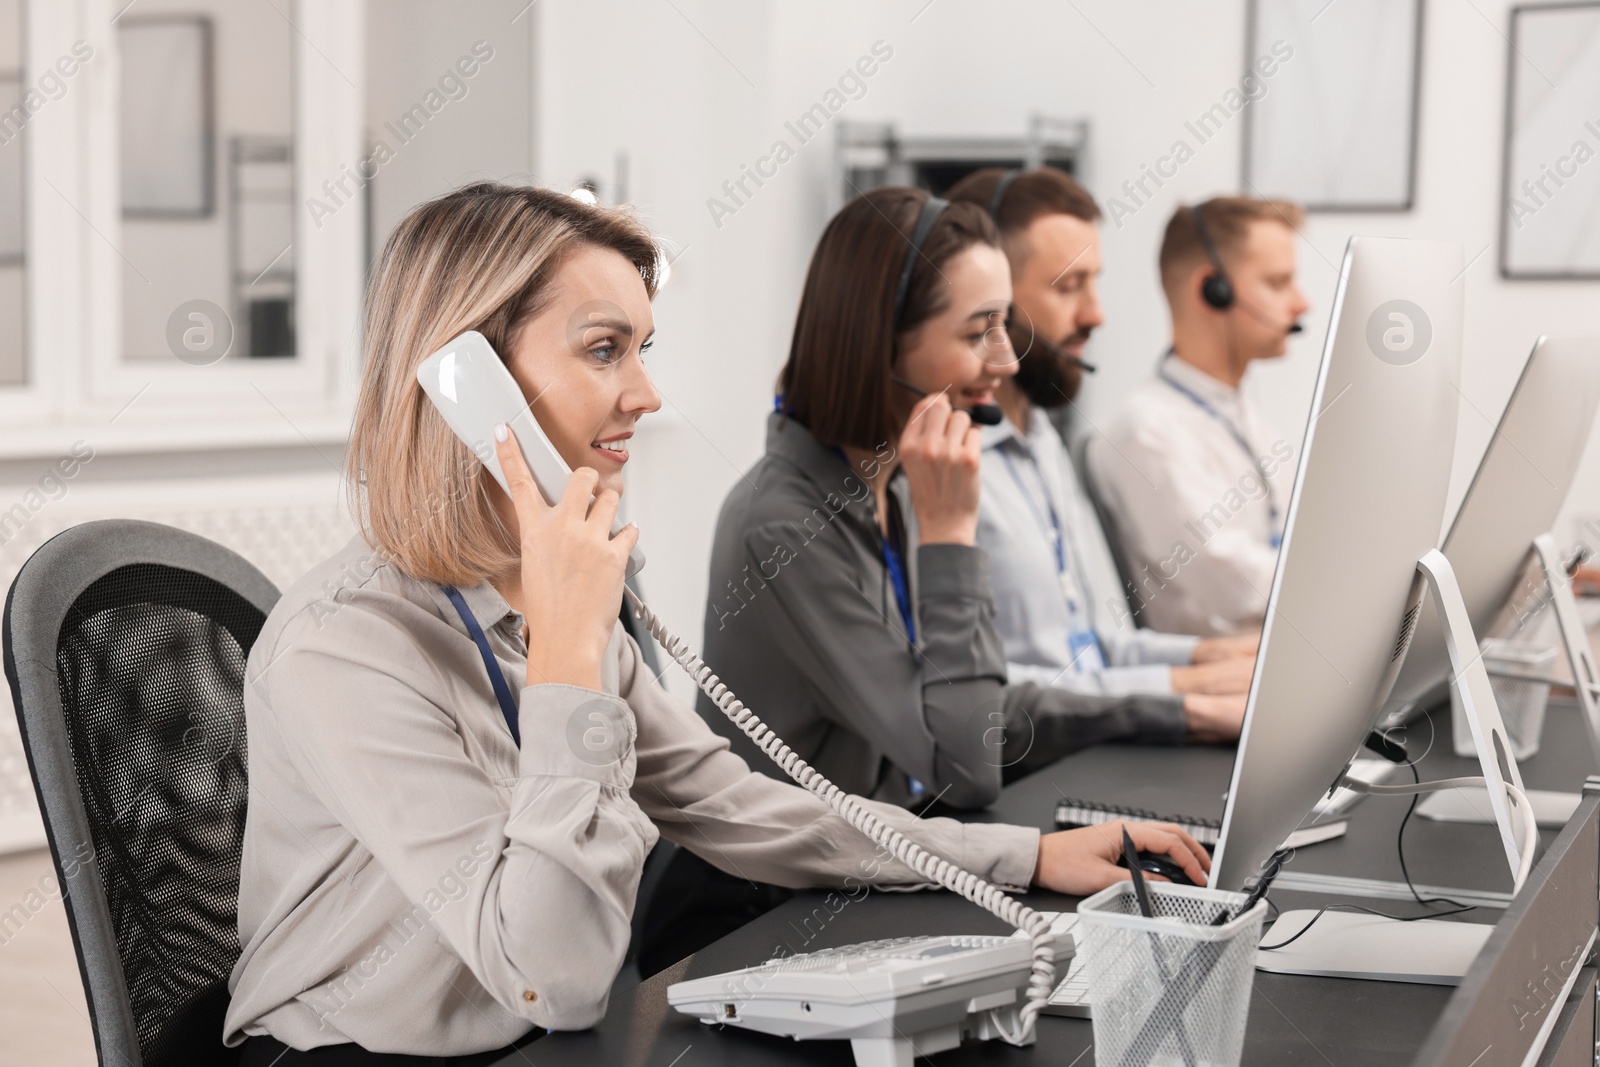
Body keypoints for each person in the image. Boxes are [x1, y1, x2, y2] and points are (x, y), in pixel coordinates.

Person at [222, 182, 1210, 1064]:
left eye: (641, 349)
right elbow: (555, 973)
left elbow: (734, 802)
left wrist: (1022, 855)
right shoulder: (346, 645)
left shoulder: (544, 600)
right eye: (605, 349)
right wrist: (569, 655)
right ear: (464, 381)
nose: (646, 395)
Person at [945, 167, 1259, 702]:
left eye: (1094, 282)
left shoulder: (1042, 438)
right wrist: (1185, 687)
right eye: (1068, 286)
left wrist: (1212, 658)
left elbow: (1093, 645)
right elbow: (976, 696)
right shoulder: (941, 465)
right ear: (990, 298)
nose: (1096, 314)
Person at [1088, 196, 1310, 637]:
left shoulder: (1240, 413)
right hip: (1226, 684)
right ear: (1214, 290)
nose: (1302, 303)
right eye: (1278, 282)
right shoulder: (1149, 431)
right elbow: (1234, 585)